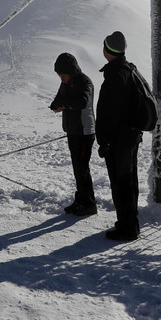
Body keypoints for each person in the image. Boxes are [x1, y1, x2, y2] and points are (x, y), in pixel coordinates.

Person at [95, 31, 145, 241]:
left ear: (107, 50)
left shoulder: (115, 75)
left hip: (119, 141)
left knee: (121, 183)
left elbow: (110, 114)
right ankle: (130, 222)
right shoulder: (128, 69)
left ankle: (127, 228)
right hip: (131, 137)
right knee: (129, 181)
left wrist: (104, 141)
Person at [50, 53, 97, 216]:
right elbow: (58, 99)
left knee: (82, 168)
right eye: (59, 76)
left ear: (71, 71)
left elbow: (82, 102)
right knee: (78, 168)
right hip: (72, 131)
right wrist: (56, 105)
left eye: (63, 75)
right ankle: (81, 199)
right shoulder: (65, 84)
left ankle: (89, 204)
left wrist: (64, 104)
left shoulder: (85, 82)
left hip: (85, 132)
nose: (62, 79)